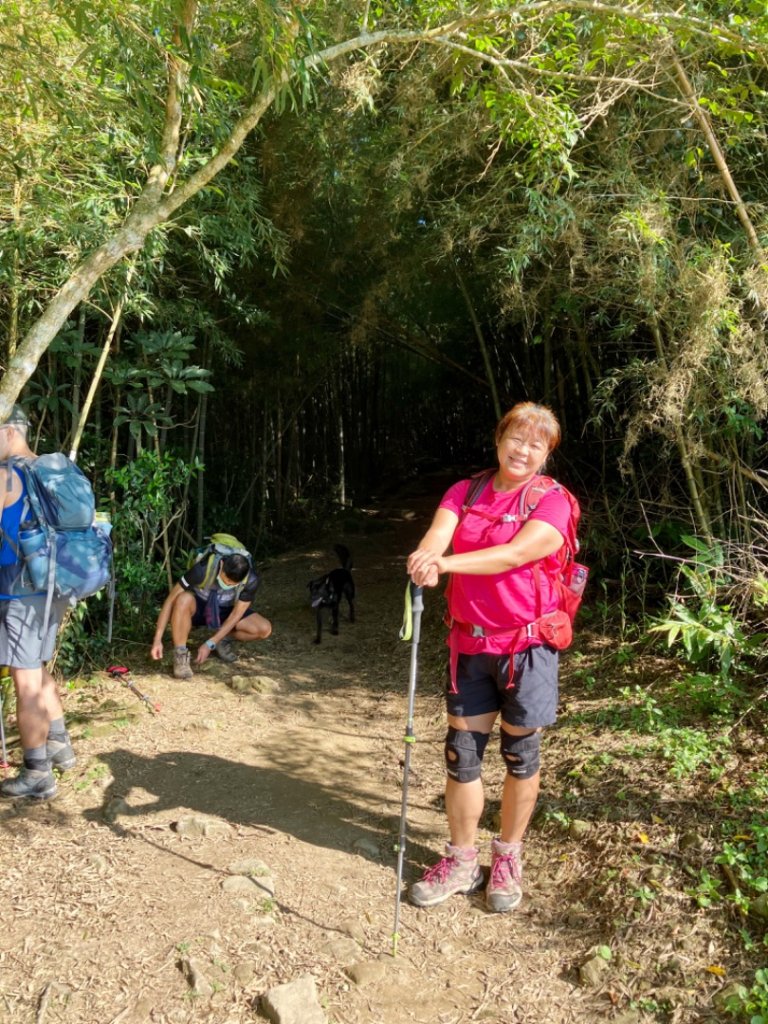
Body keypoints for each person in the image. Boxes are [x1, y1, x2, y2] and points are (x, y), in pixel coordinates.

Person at [406, 401, 572, 913]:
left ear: (546, 455)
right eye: (516, 439)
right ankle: (461, 860)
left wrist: (448, 563)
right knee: (463, 754)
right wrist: (427, 554)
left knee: (521, 756)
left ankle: (508, 857)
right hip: (470, 644)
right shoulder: (467, 491)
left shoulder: (553, 501)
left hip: (527, 646)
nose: (523, 451)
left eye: (536, 445)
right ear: (499, 439)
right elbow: (440, 529)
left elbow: (518, 552)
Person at [0, 405, 76, 801]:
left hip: (20, 589)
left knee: (25, 678)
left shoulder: (7, 475)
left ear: (11, 432)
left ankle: (36, 774)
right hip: (53, 586)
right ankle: (59, 745)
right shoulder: (47, 469)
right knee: (38, 667)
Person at [151, 549, 271, 678]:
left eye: (232, 584)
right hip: (199, 607)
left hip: (227, 610)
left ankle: (221, 640)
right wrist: (157, 639)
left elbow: (236, 614)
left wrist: (211, 643)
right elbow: (170, 600)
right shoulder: (201, 570)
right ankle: (180, 655)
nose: (227, 584)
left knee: (263, 629)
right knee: (182, 599)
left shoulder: (251, 580)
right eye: (225, 580)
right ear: (221, 565)